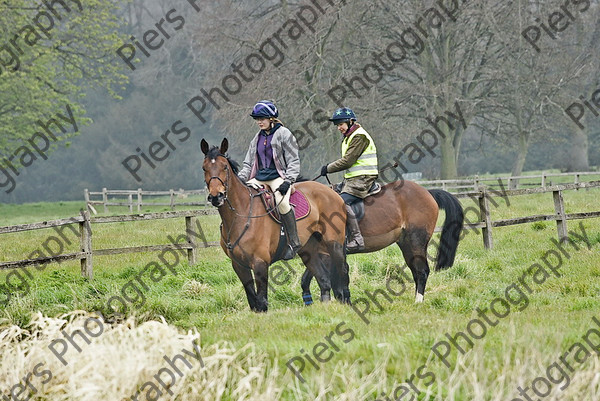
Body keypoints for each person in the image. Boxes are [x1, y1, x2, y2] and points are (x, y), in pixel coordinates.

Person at [238, 100, 301, 260]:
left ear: (272, 118)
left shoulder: (284, 133)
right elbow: (248, 163)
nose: (259, 122)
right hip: (259, 178)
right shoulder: (256, 138)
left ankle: (293, 242)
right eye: (257, 119)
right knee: (243, 197)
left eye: (262, 118)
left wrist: (288, 181)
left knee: (283, 202)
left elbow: (294, 160)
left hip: (278, 177)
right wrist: (240, 180)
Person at [320, 107, 378, 251]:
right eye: (337, 125)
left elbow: (348, 161)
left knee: (340, 202)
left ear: (351, 121)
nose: (339, 127)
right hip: (352, 179)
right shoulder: (349, 137)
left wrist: (328, 168)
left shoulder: (359, 136)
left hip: (363, 179)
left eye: (341, 124)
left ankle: (357, 238)